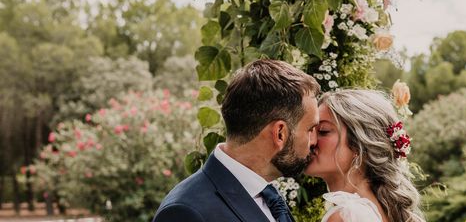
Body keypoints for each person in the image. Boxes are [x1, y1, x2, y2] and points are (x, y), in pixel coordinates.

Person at [153, 59, 320, 222]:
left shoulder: (268, 196)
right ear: (280, 133)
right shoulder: (185, 212)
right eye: (310, 129)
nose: (314, 141)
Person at [305, 89, 425, 222]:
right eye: (309, 130)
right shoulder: (380, 211)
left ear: (358, 145)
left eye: (323, 131)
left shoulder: (347, 216)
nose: (311, 140)